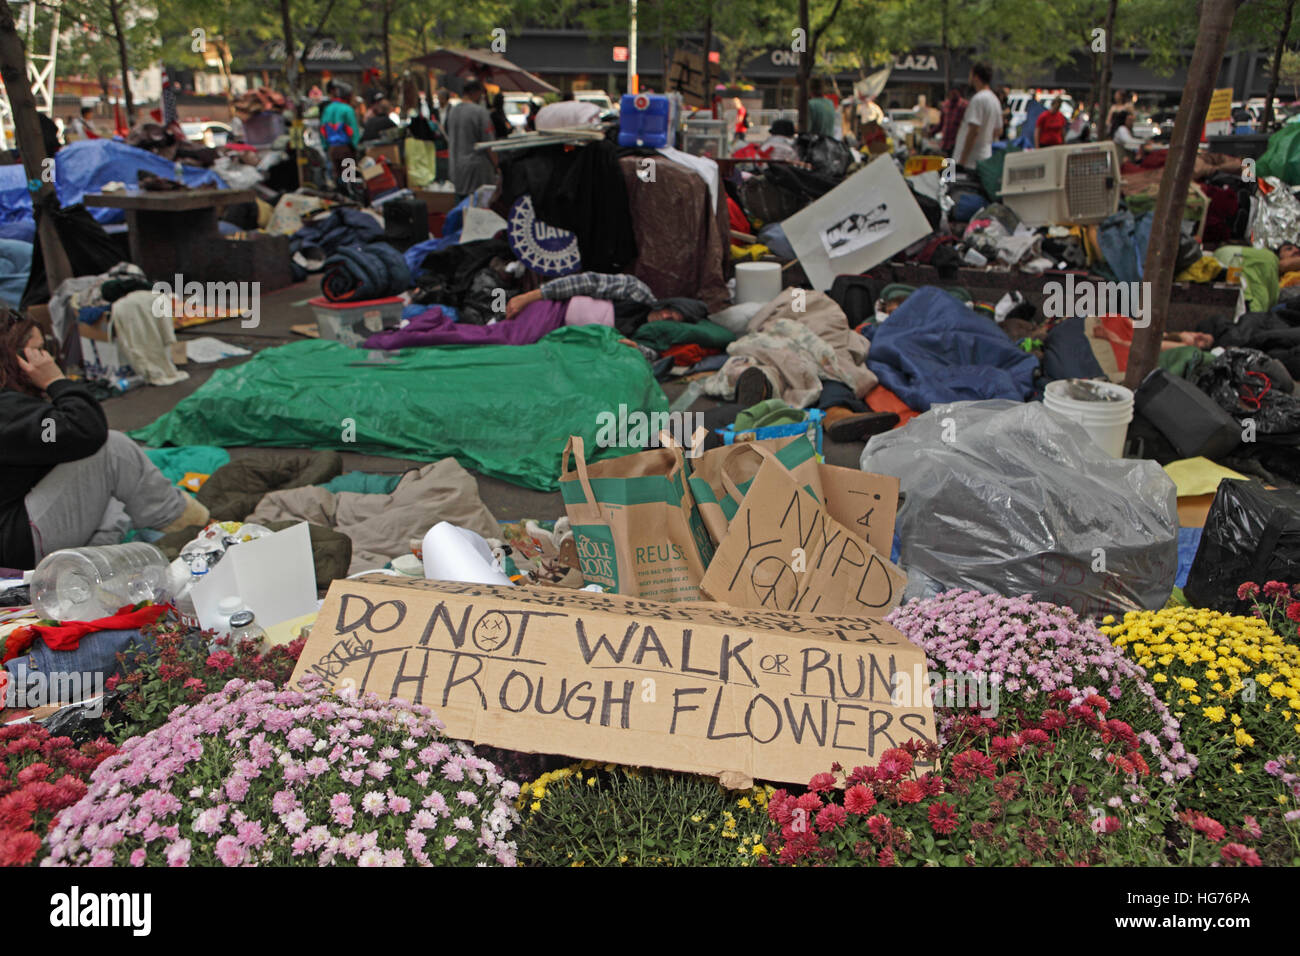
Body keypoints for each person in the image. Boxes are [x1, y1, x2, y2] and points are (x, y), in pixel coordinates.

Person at [0, 313, 208, 571]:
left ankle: (83, 571)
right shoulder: (6, 410)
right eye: (39, 351)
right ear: (15, 357)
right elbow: (84, 429)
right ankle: (196, 527)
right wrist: (56, 381)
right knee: (113, 450)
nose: (48, 359)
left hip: (18, 532)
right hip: (17, 545)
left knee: (120, 498)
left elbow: (52, 437)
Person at [445, 79, 497, 199]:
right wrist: (497, 165)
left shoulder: (452, 111)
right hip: (477, 173)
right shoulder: (479, 112)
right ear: (476, 92)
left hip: (457, 169)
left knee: (463, 209)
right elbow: (489, 143)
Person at [952, 63, 1002, 171]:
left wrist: (962, 161)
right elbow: (998, 130)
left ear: (976, 77)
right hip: (984, 156)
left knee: (957, 186)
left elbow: (974, 130)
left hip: (970, 161)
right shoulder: (994, 99)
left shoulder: (978, 99)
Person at [320, 81, 362, 183]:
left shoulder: (327, 109)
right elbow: (353, 131)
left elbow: (322, 130)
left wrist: (326, 146)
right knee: (348, 179)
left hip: (332, 150)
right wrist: (356, 147)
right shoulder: (347, 109)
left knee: (337, 179)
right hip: (346, 150)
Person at [935, 87, 968, 154]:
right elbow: (941, 124)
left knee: (954, 163)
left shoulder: (964, 105)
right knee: (946, 163)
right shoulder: (945, 105)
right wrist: (931, 132)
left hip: (957, 143)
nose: (953, 95)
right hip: (945, 143)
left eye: (955, 93)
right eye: (951, 93)